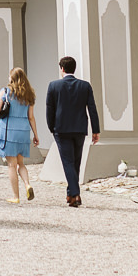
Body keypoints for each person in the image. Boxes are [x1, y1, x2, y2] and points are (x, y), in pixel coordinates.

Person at [46, 56, 102, 208]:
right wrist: (95, 130)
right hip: (79, 129)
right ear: (73, 68)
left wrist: (51, 128)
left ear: (62, 69)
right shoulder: (85, 86)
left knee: (68, 162)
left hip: (61, 129)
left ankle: (75, 194)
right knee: (75, 162)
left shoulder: (53, 86)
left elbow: (49, 110)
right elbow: (92, 109)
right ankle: (71, 194)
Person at [0, 67, 39, 204]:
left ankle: (16, 196)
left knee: (11, 165)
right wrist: (36, 135)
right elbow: (31, 117)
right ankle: (27, 184)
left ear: (11, 78)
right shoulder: (29, 95)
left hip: (8, 131)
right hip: (23, 132)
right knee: (21, 163)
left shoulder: (5, 92)